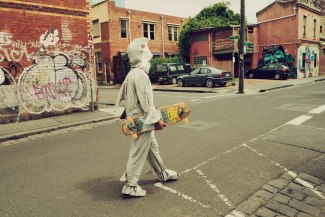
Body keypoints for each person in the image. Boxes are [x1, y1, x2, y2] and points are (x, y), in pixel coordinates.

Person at [115, 37, 178, 198]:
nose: (150, 54)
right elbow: (147, 104)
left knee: (152, 148)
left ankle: (162, 173)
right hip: (143, 122)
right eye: (147, 50)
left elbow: (125, 97)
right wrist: (157, 122)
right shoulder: (141, 76)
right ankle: (130, 185)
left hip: (135, 121)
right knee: (138, 152)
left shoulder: (132, 74)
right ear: (141, 54)